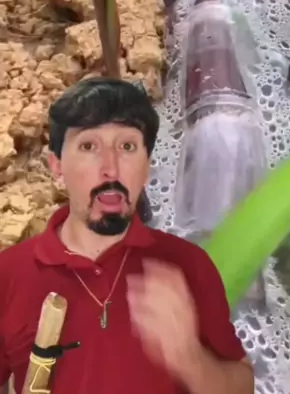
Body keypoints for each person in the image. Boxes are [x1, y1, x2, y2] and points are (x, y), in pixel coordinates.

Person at [0, 77, 254, 394]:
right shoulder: (9, 274)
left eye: (127, 147)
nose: (111, 168)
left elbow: (243, 387)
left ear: (146, 168)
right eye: (88, 146)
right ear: (57, 167)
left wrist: (190, 360)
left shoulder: (189, 267)